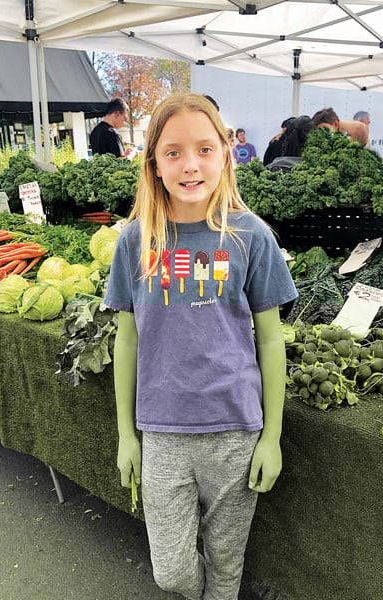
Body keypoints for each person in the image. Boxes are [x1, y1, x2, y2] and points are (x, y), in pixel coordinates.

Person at [104, 93, 297, 600]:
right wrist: (126, 433)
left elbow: (271, 341)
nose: (191, 165)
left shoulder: (251, 237)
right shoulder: (135, 239)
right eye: (173, 152)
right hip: (163, 430)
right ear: (154, 163)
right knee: (171, 571)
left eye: (205, 149)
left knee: (227, 566)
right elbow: (127, 337)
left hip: (235, 429)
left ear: (226, 154)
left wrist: (272, 437)